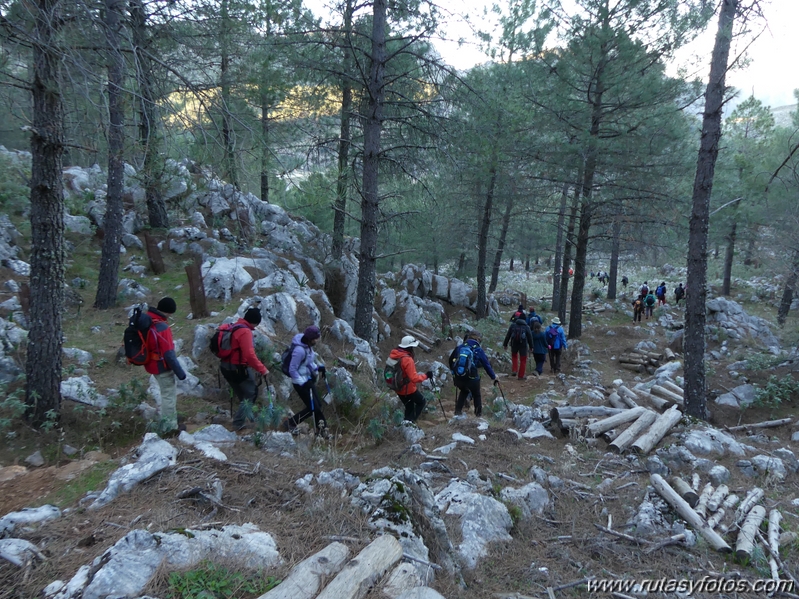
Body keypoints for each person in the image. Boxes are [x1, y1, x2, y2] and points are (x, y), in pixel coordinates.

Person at [217, 307, 269, 430]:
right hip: (238, 368)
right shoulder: (245, 332)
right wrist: (263, 369)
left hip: (225, 366)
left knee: (242, 394)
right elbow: (249, 355)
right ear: (255, 322)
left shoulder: (234, 326)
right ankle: (238, 423)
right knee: (251, 393)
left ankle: (249, 417)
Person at [145, 297, 187, 434]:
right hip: (162, 367)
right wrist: (180, 373)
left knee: (165, 394)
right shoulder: (162, 327)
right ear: (168, 312)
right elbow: (169, 354)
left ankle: (166, 420)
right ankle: (169, 428)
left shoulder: (148, 320)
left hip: (151, 364)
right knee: (168, 396)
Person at [285, 325, 328, 436]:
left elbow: (308, 362)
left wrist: (318, 368)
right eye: (316, 338)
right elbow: (292, 369)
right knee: (312, 408)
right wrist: (303, 383)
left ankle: (322, 429)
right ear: (310, 339)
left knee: (317, 405)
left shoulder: (307, 346)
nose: (317, 340)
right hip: (300, 383)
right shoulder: (299, 350)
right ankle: (291, 423)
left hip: (307, 380)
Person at [449, 329, 498, 417]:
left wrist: (454, 372)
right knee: (476, 394)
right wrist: (493, 377)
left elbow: (451, 360)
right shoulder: (478, 349)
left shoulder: (460, 347)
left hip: (459, 377)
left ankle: (457, 412)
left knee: (464, 391)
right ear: (478, 339)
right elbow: (486, 365)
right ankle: (478, 415)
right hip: (472, 378)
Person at [388, 335, 432, 423]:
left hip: (397, 386)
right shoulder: (407, 359)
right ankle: (410, 424)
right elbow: (414, 378)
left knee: (409, 407)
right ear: (409, 347)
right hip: (407, 389)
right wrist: (426, 376)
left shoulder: (394, 354)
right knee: (421, 402)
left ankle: (407, 424)